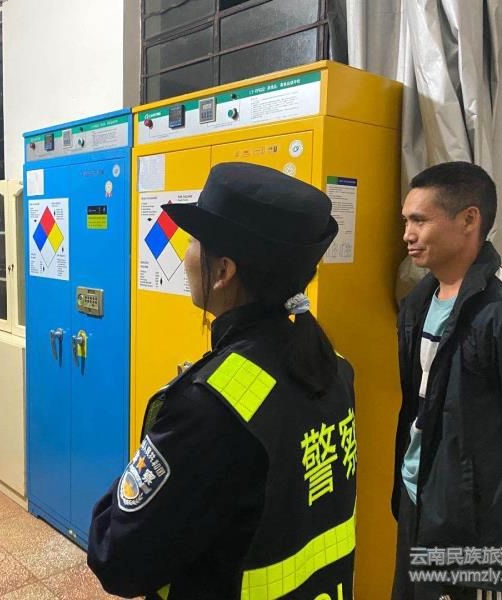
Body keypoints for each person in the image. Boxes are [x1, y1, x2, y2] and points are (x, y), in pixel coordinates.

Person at [88, 162, 358, 599]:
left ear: (224, 271)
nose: (186, 255)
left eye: (193, 242)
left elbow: (116, 558)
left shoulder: (211, 405)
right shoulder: (335, 368)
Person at [392, 162, 502, 600]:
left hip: (482, 522)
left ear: (468, 219)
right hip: (420, 498)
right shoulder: (418, 302)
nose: (408, 234)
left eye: (420, 220)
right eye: (406, 221)